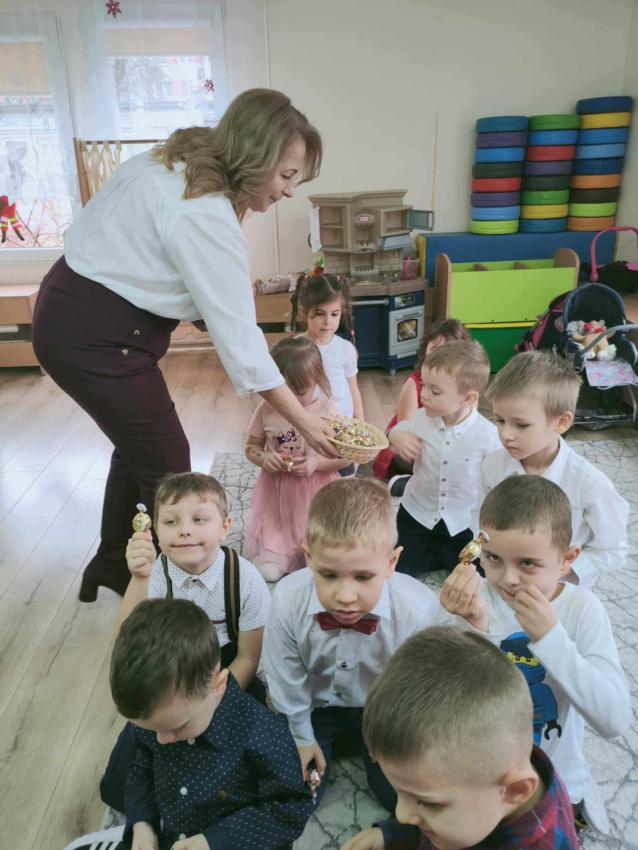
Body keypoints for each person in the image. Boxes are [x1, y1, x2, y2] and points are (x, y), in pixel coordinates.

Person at [31, 88, 337, 603]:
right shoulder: (203, 213)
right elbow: (242, 343)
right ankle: (184, 593)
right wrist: (306, 421)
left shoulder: (184, 159)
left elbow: (178, 273)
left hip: (71, 309)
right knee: (168, 464)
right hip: (94, 335)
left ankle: (115, 566)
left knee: (138, 447)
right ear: (254, 157)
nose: (289, 191)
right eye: (286, 176)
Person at [441, 475, 630, 833]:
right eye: (493, 558)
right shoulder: (475, 597)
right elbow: (446, 693)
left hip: (551, 778)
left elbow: (613, 720)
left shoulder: (582, 610)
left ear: (566, 560)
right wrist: (474, 627)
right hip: (479, 766)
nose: (508, 578)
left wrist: (551, 638)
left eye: (527, 563)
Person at [66, 599, 313, 850]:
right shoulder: (163, 720)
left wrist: (214, 841)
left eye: (178, 727)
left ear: (218, 685)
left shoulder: (263, 733)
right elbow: (142, 768)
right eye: (151, 729)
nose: (161, 739)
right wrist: (142, 823)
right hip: (173, 835)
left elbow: (292, 808)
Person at [262, 478, 442, 812]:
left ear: (391, 563)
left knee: (402, 800)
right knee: (296, 797)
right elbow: (285, 676)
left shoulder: (417, 609)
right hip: (315, 708)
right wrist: (302, 736)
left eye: (362, 577)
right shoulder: (287, 599)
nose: (345, 597)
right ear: (309, 558)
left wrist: (393, 733)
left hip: (384, 711)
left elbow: (419, 685)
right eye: (329, 575)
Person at [100, 471, 272, 811]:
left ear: (225, 526)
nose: (185, 530)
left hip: (224, 675)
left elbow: (249, 657)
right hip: (167, 674)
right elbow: (126, 641)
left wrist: (210, 702)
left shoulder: (245, 579)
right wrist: (138, 579)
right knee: (123, 778)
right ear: (155, 531)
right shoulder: (154, 575)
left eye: (199, 519)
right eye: (171, 521)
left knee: (244, 765)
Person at [341, 626, 582, 850]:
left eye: (429, 803)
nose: (401, 814)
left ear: (515, 790)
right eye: (401, 793)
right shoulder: (491, 772)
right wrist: (393, 835)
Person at [476, 350, 629, 588]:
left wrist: (564, 570)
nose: (505, 434)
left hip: (559, 590)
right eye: (500, 420)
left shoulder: (589, 483)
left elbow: (613, 549)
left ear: (561, 422)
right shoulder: (493, 465)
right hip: (503, 582)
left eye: (521, 424)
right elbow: (479, 517)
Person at [389, 340, 500, 576]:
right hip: (417, 512)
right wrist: (397, 437)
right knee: (397, 569)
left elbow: (500, 482)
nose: (424, 395)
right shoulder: (421, 418)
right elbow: (397, 429)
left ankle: (441, 555)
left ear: (468, 398)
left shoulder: (488, 436)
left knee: (478, 575)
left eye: (435, 391)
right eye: (424, 385)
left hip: (461, 521)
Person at [245, 336, 350, 582]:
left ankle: (314, 551)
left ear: (318, 379)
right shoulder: (266, 409)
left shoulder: (328, 412)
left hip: (317, 494)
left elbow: (346, 457)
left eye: (300, 391)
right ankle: (280, 550)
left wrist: (317, 464)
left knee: (324, 556)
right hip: (277, 493)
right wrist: (264, 458)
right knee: (268, 573)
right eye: (284, 390)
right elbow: (251, 447)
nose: (290, 399)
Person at [373, 318, 469, 493]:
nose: (438, 356)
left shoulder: (461, 387)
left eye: (446, 352)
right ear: (426, 348)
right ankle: (408, 482)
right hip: (411, 447)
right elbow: (406, 433)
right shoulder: (414, 383)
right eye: (434, 348)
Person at [291, 272, 363, 421]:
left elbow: (354, 390)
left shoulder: (345, 349)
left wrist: (361, 422)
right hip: (309, 424)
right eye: (320, 314)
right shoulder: (294, 348)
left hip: (342, 423)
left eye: (334, 314)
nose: (328, 322)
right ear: (304, 311)